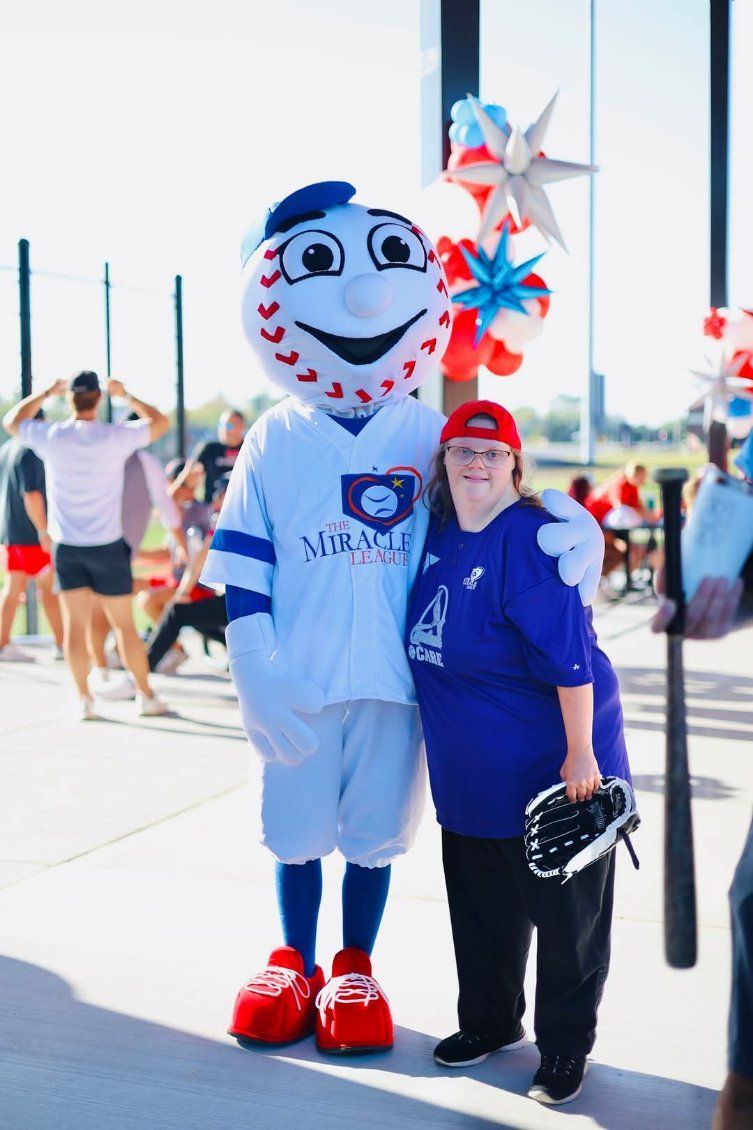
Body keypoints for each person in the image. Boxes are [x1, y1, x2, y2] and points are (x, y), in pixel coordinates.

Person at [199, 180, 605, 1055]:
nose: (364, 301)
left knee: (375, 834)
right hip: (296, 673)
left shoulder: (426, 430)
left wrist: (571, 531)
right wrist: (252, 668)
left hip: (402, 678)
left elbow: (491, 500)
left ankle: (353, 965)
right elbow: (244, 562)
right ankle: (292, 959)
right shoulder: (275, 435)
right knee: (296, 825)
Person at [406, 400, 631, 1106]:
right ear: (442, 463)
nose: (476, 462)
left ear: (513, 465)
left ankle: (564, 1050)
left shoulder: (532, 542)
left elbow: (571, 663)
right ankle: (489, 1024)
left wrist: (581, 757)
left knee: (568, 926)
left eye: (491, 452)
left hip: (552, 774)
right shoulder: (436, 533)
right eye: (462, 451)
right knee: (480, 911)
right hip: (469, 775)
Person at [2, 373, 170, 720]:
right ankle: (146, 696)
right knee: (124, 625)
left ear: (70, 400)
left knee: (75, 626)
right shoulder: (114, 436)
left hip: (67, 548)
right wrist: (127, 395)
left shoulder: (52, 436)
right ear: (97, 398)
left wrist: (45, 393)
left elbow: (12, 421)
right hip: (107, 545)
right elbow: (161, 421)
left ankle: (84, 700)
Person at [88, 416, 186, 694]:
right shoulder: (142, 462)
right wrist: (179, 544)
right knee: (112, 617)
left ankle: (113, 677)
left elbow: (167, 509)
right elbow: (167, 510)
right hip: (110, 548)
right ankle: (128, 683)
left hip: (100, 546)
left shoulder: (120, 460)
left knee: (107, 616)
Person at [136, 459, 213, 674]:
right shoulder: (175, 513)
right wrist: (134, 556)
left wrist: (183, 482)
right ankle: (124, 644)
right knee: (126, 585)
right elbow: (167, 554)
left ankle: (174, 648)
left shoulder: (196, 510)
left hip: (194, 585)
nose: (168, 486)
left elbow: (166, 502)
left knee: (147, 600)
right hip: (177, 579)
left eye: (172, 481)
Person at [145, 474, 229, 673]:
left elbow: (199, 560)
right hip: (250, 600)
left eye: (222, 495)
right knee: (187, 611)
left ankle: (143, 669)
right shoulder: (237, 518)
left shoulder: (227, 519)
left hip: (246, 602)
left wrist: (183, 592)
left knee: (177, 612)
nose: (217, 500)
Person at [0, 417, 63, 660]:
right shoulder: (30, 451)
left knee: (13, 589)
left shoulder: (7, 448)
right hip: (31, 534)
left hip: (12, 532)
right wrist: (43, 530)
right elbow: (32, 493)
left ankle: (4, 644)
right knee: (49, 590)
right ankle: (62, 644)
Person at [188, 410, 246, 503]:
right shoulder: (209, 449)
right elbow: (189, 479)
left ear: (241, 427)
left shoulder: (249, 449)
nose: (224, 429)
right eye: (221, 425)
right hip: (212, 510)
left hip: (242, 506)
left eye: (229, 426)